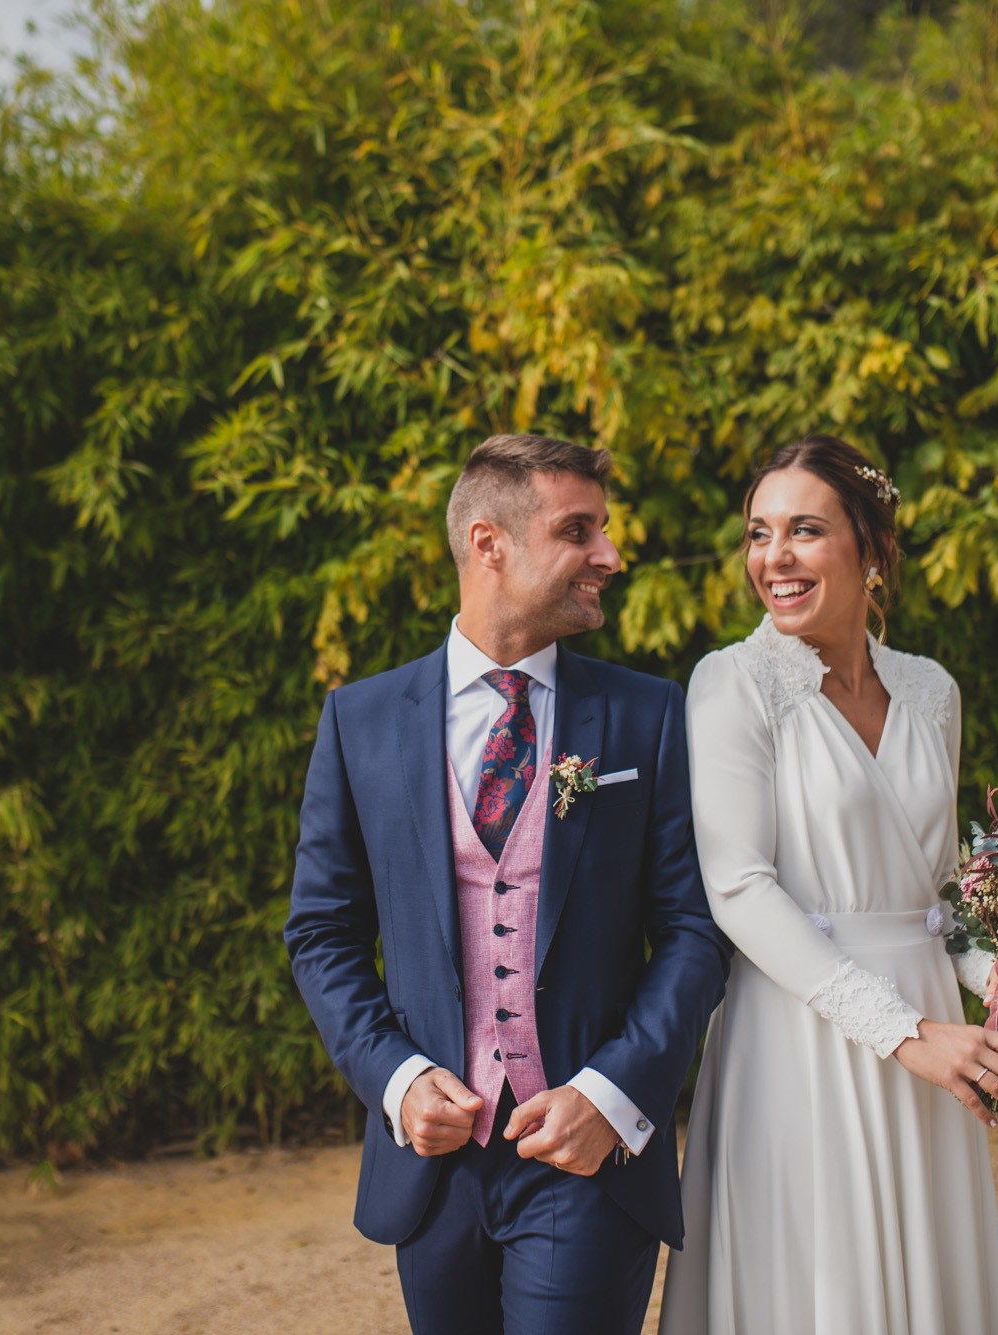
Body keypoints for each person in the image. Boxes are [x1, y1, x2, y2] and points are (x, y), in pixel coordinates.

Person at [285, 433, 732, 1335]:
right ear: (489, 543)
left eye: (604, 531)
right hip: (433, 1163)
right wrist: (398, 1077)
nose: (610, 556)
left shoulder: (646, 714)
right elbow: (322, 933)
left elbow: (691, 928)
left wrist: (612, 1091)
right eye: (579, 531)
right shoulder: (360, 720)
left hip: (588, 1158)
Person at [659, 435, 998, 1335]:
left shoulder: (931, 690)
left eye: (804, 529)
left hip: (931, 1034)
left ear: (871, 550)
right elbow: (740, 888)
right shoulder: (733, 683)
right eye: (759, 533)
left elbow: (940, 889)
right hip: (798, 1029)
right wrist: (909, 1035)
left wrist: (994, 978)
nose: (775, 557)